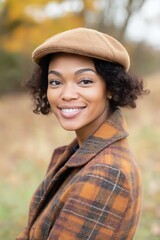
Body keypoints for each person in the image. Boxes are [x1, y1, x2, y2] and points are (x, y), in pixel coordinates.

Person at [17, 28, 148, 240]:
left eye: (85, 81)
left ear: (110, 88)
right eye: (56, 82)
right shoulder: (81, 151)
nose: (66, 94)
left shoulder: (106, 172)